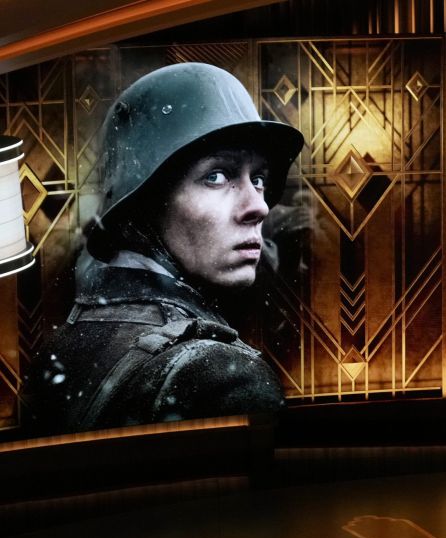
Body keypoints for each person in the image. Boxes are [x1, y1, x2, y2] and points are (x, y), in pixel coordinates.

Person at [24, 62, 304, 433]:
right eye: (216, 176)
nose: (259, 206)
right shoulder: (222, 381)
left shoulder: (59, 349)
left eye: (259, 178)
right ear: (147, 202)